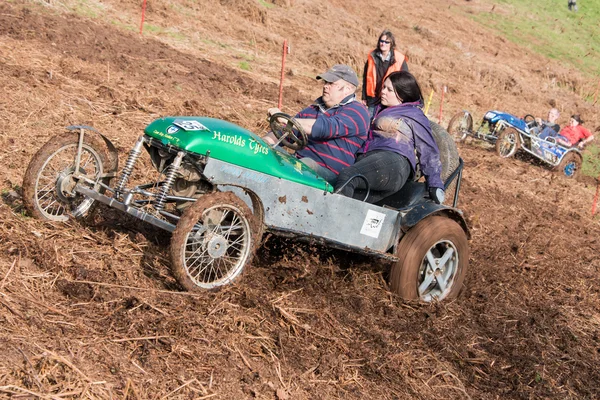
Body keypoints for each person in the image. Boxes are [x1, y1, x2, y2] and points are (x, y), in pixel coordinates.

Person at [335, 71, 444, 204]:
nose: (383, 92)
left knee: (348, 177)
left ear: (403, 95)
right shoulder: (376, 109)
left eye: (389, 90)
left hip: (394, 160)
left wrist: (435, 185)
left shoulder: (414, 114)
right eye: (384, 87)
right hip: (369, 161)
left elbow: (428, 149)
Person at [264, 64, 370, 184]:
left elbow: (325, 128)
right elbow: (285, 132)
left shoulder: (357, 111)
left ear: (348, 89)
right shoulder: (312, 110)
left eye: (331, 83)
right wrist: (263, 144)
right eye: (325, 82)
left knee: (306, 164)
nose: (325, 87)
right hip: (299, 164)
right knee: (270, 153)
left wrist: (287, 120)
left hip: (330, 176)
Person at [362, 30, 409, 119]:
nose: (383, 44)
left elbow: (405, 80)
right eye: (381, 41)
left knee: (386, 121)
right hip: (373, 97)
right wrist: (364, 96)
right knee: (369, 121)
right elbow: (365, 77)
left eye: (386, 42)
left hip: (390, 97)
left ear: (391, 44)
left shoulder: (399, 59)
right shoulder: (372, 56)